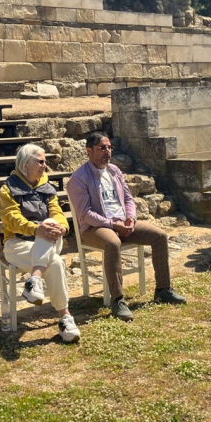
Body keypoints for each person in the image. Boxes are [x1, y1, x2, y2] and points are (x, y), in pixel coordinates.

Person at [67, 132, 186, 321]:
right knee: (112, 243)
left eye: (109, 147)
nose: (107, 151)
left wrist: (130, 217)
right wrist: (113, 225)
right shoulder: (79, 178)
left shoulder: (114, 170)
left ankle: (163, 289)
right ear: (89, 151)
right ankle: (118, 300)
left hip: (122, 222)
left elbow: (129, 199)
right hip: (94, 228)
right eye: (101, 148)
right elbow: (85, 214)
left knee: (160, 236)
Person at [0, 144, 80, 343]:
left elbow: (57, 212)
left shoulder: (46, 186)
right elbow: (11, 219)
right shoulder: (8, 189)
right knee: (56, 262)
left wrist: (62, 227)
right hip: (17, 244)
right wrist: (35, 229)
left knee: (51, 222)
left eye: (45, 161)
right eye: (40, 161)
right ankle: (65, 318)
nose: (45, 165)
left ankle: (34, 278)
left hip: (44, 243)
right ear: (26, 164)